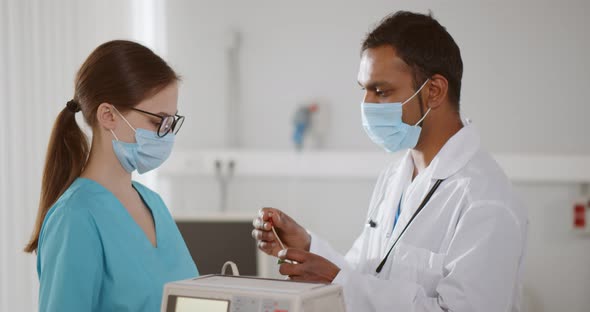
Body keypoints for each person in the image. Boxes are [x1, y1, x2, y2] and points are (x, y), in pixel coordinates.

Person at [252, 11, 528, 311]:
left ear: (434, 91)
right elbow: (366, 273)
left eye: (381, 91)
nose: (366, 105)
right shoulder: (395, 177)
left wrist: (339, 281)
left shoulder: (486, 200)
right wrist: (305, 245)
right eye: (364, 90)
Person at [24, 40, 198, 311]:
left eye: (171, 122)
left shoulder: (153, 203)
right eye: (157, 122)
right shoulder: (75, 218)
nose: (167, 135)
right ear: (108, 116)